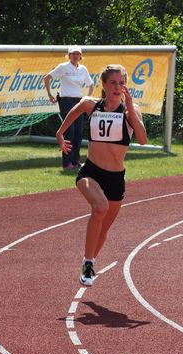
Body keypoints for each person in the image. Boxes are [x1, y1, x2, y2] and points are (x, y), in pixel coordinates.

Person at [56, 65, 147, 286]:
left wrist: (131, 110)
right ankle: (88, 263)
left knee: (103, 227)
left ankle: (89, 263)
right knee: (100, 207)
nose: (117, 87)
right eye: (113, 83)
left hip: (115, 178)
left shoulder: (131, 111)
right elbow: (76, 109)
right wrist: (60, 133)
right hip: (91, 172)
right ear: (104, 85)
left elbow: (143, 139)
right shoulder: (92, 104)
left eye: (121, 83)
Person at [44, 45, 95, 169]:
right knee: (69, 130)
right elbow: (47, 78)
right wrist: (50, 94)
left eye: (77, 54)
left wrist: (87, 98)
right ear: (69, 55)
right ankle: (67, 162)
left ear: (80, 56)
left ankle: (75, 161)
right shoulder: (63, 67)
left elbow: (91, 84)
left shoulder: (83, 69)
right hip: (66, 101)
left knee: (78, 131)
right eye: (73, 54)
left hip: (79, 102)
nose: (75, 56)